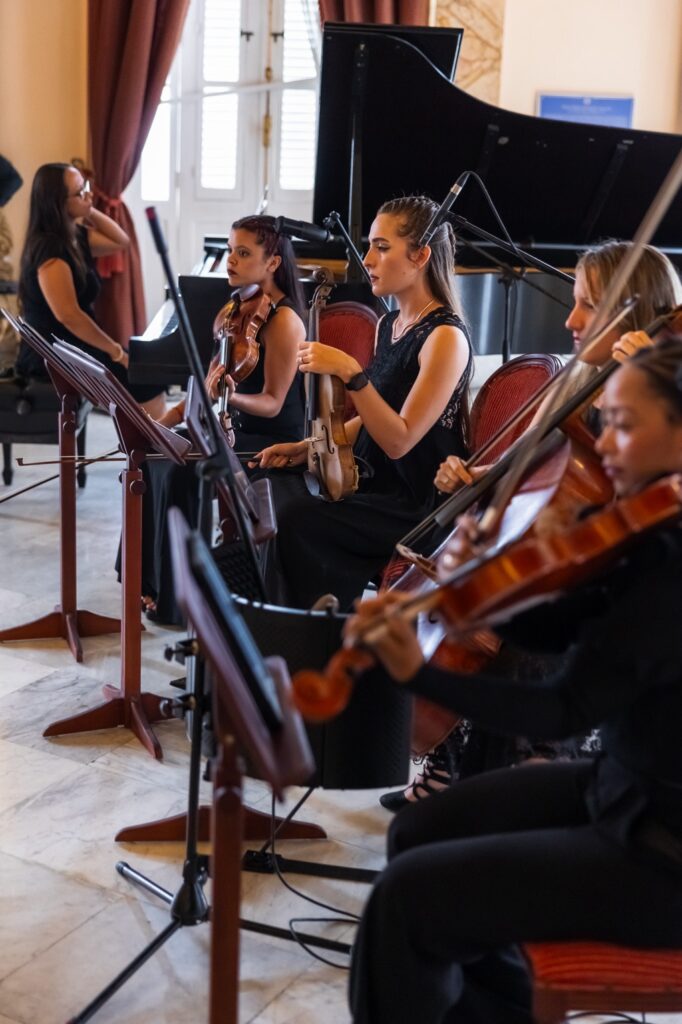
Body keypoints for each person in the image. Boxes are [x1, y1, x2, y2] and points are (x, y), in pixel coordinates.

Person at [347, 336, 682, 1024]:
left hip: (661, 850)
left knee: (407, 899)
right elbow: (564, 630)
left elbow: (559, 710)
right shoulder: (649, 525)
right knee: (417, 835)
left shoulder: (672, 567)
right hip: (621, 787)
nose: (603, 441)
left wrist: (422, 675)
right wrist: (483, 590)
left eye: (622, 423)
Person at [382, 240, 682, 811]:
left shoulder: (661, 392)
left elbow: (638, 506)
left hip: (609, 591)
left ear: (634, 310)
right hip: (570, 564)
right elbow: (543, 465)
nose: (570, 321)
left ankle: (493, 781)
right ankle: (460, 771)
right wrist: (479, 473)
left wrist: (649, 375)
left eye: (587, 306)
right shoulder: (581, 377)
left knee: (512, 644)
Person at [251, 195, 473, 612]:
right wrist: (306, 448)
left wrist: (351, 373)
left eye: (382, 247)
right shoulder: (389, 323)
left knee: (298, 519)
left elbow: (400, 440)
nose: (368, 258)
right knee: (273, 490)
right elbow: (374, 418)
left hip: (417, 504)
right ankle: (272, 636)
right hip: (375, 480)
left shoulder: (446, 337)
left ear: (421, 255)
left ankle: (313, 643)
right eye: (369, 245)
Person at [137, 214, 307, 625]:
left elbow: (271, 401)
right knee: (152, 459)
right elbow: (205, 381)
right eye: (230, 250)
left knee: (181, 473)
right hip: (233, 430)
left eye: (243, 253)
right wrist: (169, 420)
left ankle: (178, 601)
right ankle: (152, 585)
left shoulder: (285, 321)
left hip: (270, 440)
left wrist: (229, 394)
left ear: (272, 263)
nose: (230, 260)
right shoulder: (236, 308)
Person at [16, 162, 164, 414]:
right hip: (51, 353)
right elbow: (69, 316)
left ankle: (152, 445)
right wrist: (116, 351)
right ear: (57, 202)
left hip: (73, 343)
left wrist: (89, 209)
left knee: (145, 370)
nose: (88, 194)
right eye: (79, 192)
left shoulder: (75, 236)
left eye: (85, 187)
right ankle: (152, 447)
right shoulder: (50, 249)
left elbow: (121, 240)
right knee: (142, 381)